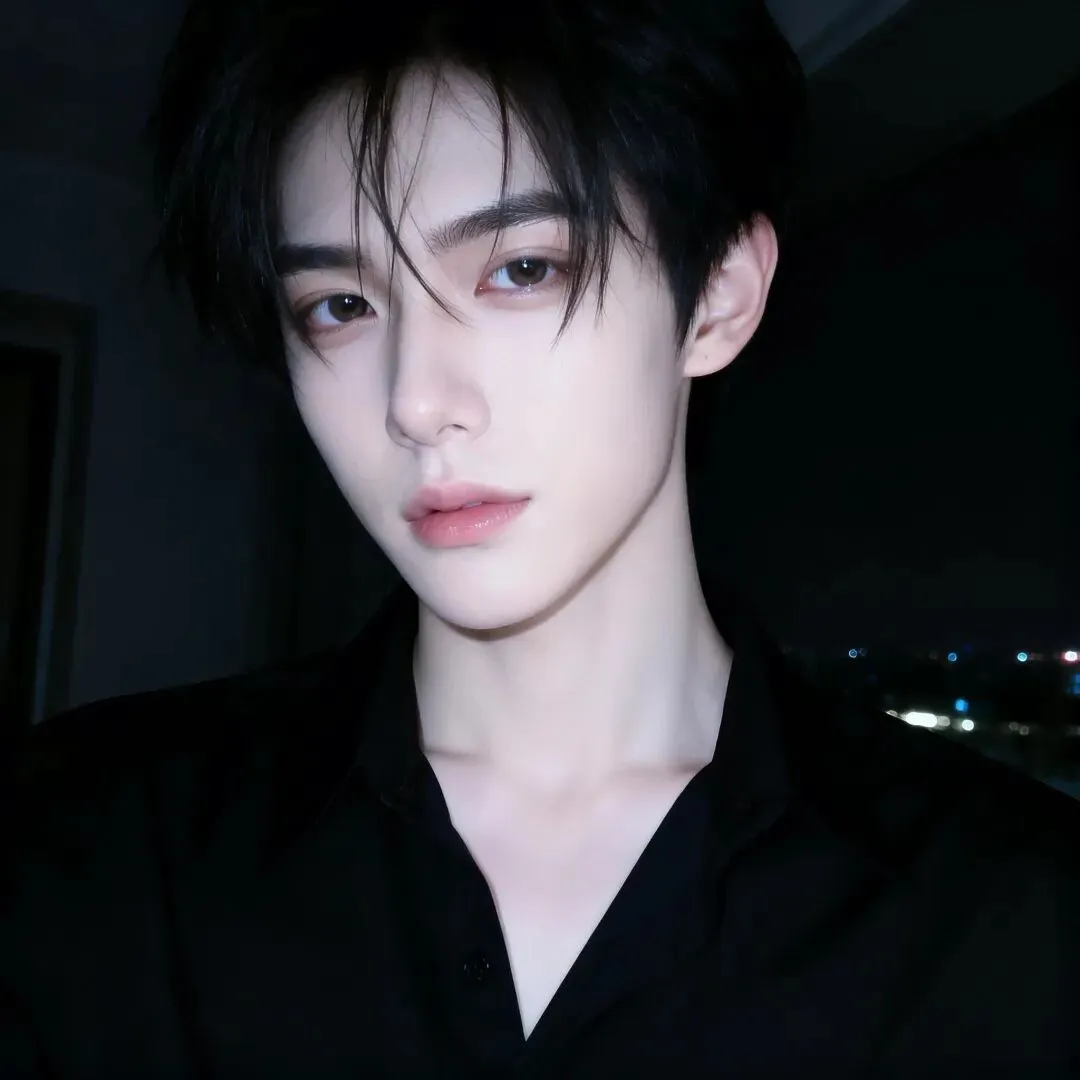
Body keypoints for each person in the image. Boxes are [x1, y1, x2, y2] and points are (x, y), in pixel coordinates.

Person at [3, 0, 1079, 1075]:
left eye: (521, 269)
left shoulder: (1017, 921)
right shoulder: (84, 848)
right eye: (340, 305)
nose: (416, 403)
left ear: (716, 296)